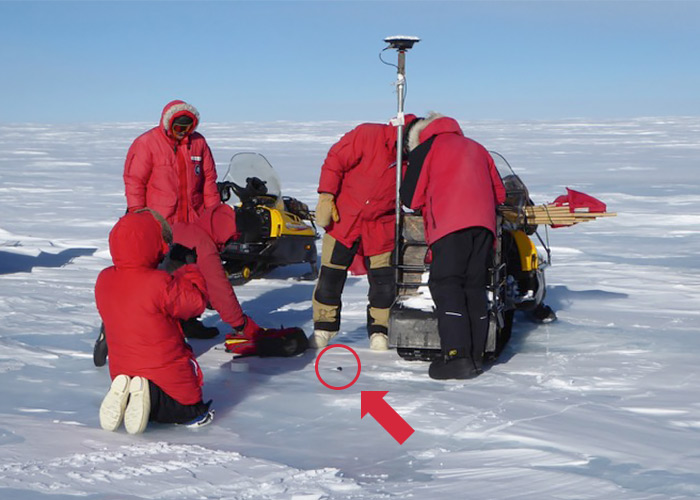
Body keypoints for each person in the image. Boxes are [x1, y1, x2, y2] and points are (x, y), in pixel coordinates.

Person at [401, 112, 507, 380]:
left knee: (446, 284)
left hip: (449, 225)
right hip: (483, 227)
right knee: (474, 287)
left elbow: (410, 198)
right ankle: (476, 355)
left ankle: (456, 357)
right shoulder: (477, 147)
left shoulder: (427, 149)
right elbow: (500, 194)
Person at [95, 210, 215, 434]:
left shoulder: (104, 279)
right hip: (170, 385)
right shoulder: (159, 283)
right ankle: (151, 398)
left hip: (122, 371)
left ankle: (130, 394)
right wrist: (188, 269)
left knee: (137, 370)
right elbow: (195, 303)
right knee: (191, 408)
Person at [310, 115, 416, 351]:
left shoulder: (414, 158)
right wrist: (326, 195)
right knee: (331, 276)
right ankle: (323, 328)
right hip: (344, 220)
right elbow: (335, 161)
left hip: (381, 226)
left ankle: (381, 331)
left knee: (383, 282)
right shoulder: (367, 135)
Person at [167, 203, 264, 339]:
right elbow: (219, 290)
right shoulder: (204, 246)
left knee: (192, 276)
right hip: (157, 306)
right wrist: (241, 324)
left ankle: (186, 323)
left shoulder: (185, 228)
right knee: (201, 284)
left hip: (142, 293)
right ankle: (173, 327)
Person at [123, 99, 221, 225]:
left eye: (188, 128)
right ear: (169, 124)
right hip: (161, 221)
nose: (183, 131)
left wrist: (213, 213)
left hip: (194, 219)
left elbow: (209, 180)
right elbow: (135, 181)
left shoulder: (198, 142)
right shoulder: (147, 143)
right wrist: (138, 213)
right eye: (179, 127)